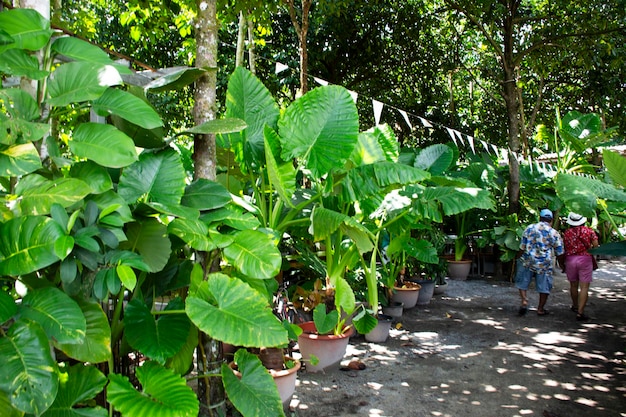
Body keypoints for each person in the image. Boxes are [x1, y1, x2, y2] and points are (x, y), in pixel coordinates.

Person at [515, 209, 565, 316]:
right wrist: (562, 265)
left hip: (527, 261)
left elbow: (522, 247)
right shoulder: (554, 233)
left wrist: (517, 257)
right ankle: (540, 309)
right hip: (544, 264)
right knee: (544, 286)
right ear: (551, 220)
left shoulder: (529, 228)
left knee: (523, 282)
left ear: (540, 218)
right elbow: (559, 252)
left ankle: (524, 301)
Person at [562, 212, 599, 321]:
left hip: (570, 259)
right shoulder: (589, 231)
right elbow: (596, 246)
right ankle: (580, 312)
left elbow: (565, 246)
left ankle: (575, 305)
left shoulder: (567, 233)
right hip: (585, 259)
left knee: (573, 285)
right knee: (584, 287)